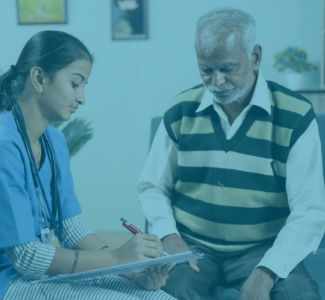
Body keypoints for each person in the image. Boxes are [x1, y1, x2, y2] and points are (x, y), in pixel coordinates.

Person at [0, 31, 175, 300]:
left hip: (35, 275)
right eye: (75, 84)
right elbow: (26, 256)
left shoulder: (53, 140)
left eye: (84, 86)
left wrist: (131, 269)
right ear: (39, 79)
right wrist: (116, 258)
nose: (82, 98)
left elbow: (71, 229)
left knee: (158, 298)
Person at [137, 7, 325, 300]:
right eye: (206, 69)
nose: (216, 82)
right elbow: (152, 186)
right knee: (167, 293)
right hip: (192, 246)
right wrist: (169, 237)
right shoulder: (179, 110)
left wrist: (266, 273)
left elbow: (310, 209)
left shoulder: (296, 115)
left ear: (255, 57)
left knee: (299, 294)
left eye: (227, 68)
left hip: (262, 248)